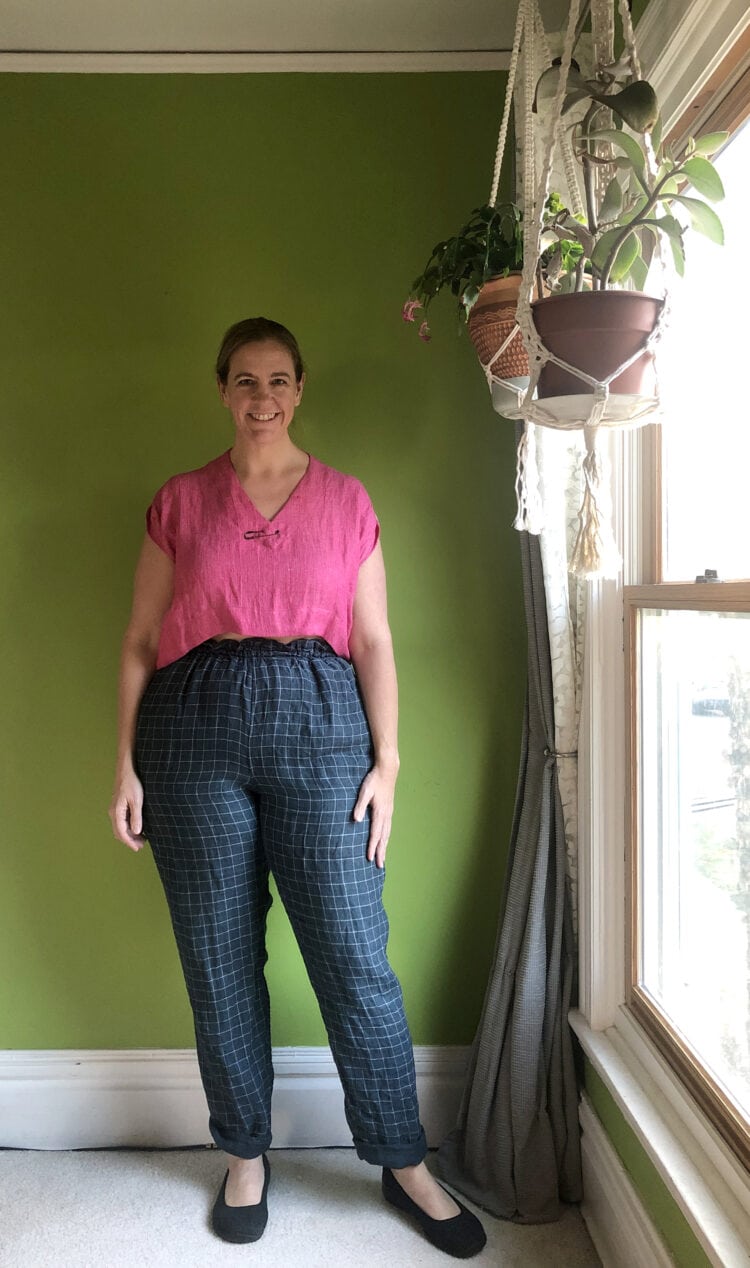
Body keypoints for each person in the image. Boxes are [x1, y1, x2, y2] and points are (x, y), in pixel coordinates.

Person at [108, 317, 486, 1258]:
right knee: (218, 955)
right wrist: (121, 762)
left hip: (323, 722)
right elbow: (138, 643)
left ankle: (403, 1160)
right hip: (191, 725)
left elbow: (374, 643)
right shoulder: (180, 500)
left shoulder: (348, 500)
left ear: (300, 388)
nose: (262, 397)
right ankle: (243, 1153)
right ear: (223, 389)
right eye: (244, 380)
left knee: (354, 951)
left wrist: (388, 761)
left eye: (278, 380)